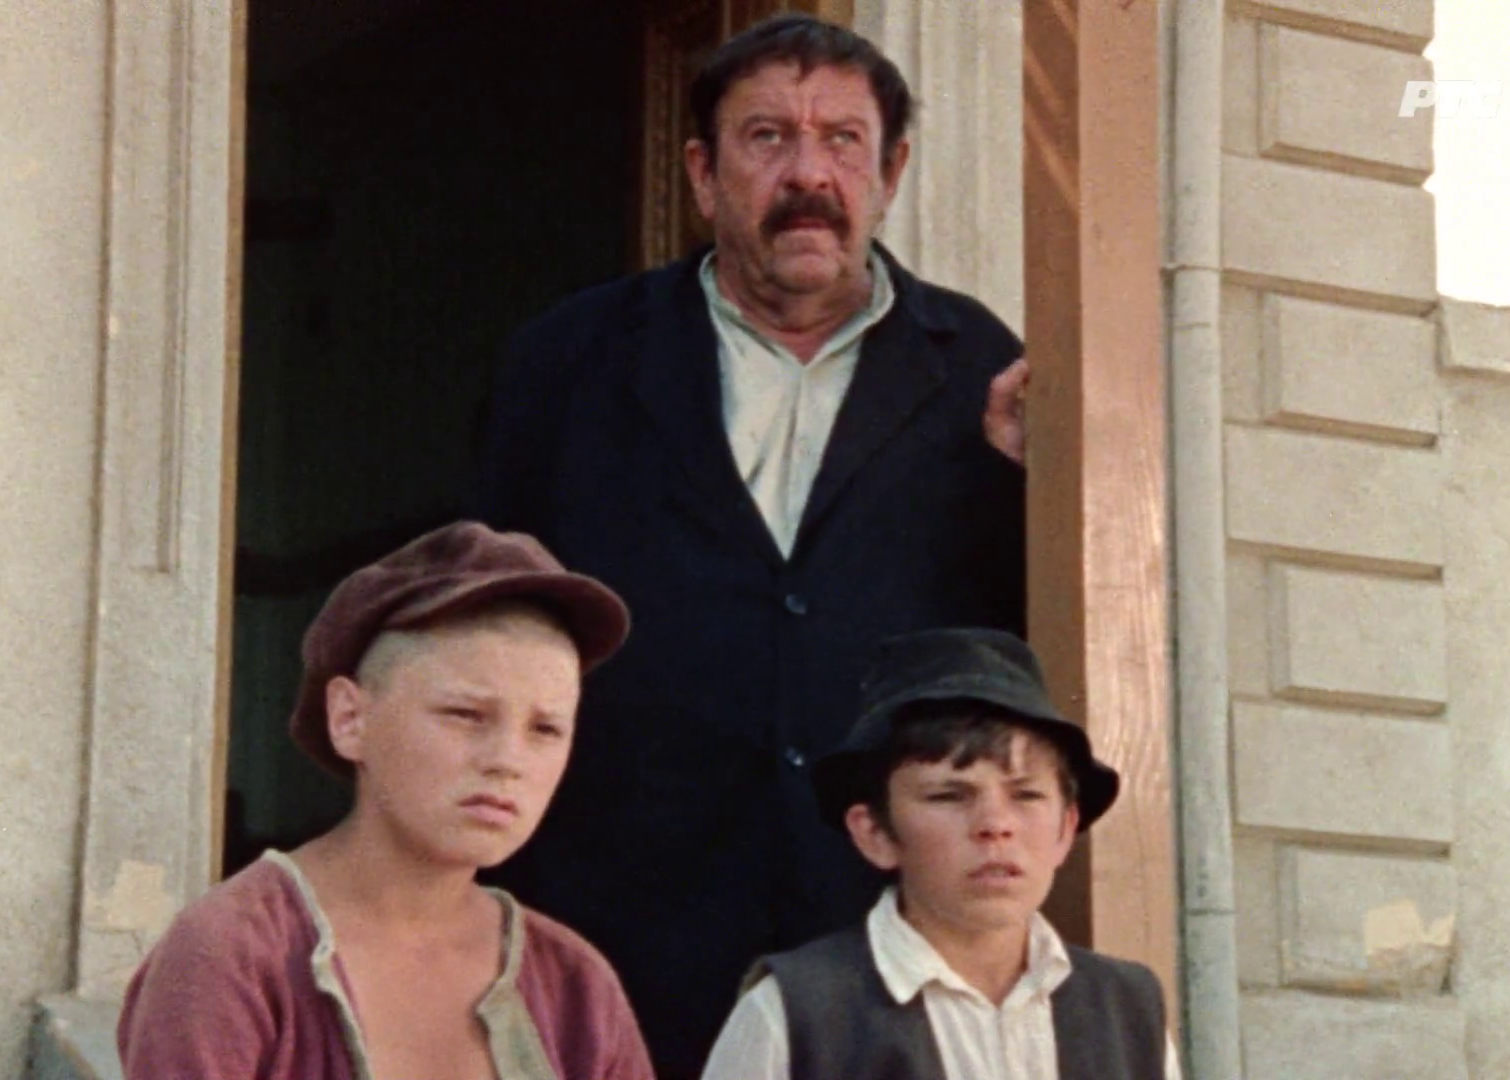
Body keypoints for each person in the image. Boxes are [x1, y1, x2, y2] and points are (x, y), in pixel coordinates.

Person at [470, 13, 1033, 1076]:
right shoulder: (569, 362)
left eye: (844, 142)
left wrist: (1030, 486)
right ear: (703, 172)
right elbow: (484, 629)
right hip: (618, 926)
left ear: (892, 172)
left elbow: (1020, 644)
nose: (808, 174)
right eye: (768, 138)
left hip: (883, 936)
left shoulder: (983, 372)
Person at [116, 521, 657, 1080]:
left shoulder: (575, 987)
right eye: (466, 715)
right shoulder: (232, 955)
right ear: (350, 718)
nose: (507, 760)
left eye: (545, 729)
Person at [700, 627, 1182, 1080]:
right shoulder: (796, 1012)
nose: (995, 825)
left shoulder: (1126, 1007)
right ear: (875, 833)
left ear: (1065, 829)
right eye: (949, 796)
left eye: (1026, 795)